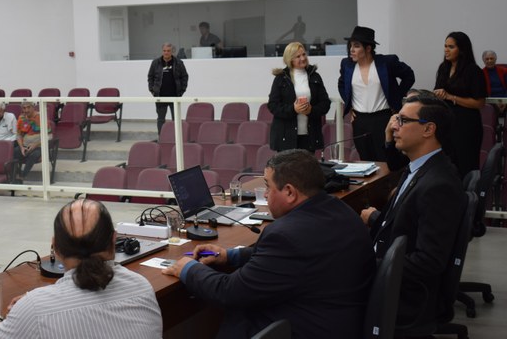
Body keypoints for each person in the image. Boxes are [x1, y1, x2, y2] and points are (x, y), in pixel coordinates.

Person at [162, 149, 375, 339]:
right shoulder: (341, 210)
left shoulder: (286, 236)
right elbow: (292, 259)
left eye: (267, 186)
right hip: (343, 320)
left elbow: (230, 293)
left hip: (307, 328)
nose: (264, 194)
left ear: (289, 192)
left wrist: (188, 268)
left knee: (235, 316)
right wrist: (231, 255)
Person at [0, 199, 162, 339]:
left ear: (55, 247)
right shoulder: (141, 286)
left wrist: (32, 305)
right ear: (114, 240)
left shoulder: (34, 309)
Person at [360, 95, 466, 328]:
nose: (394, 126)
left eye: (403, 120)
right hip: (390, 275)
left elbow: (428, 261)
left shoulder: (439, 185)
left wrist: (367, 266)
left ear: (428, 129)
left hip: (405, 297)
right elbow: (405, 223)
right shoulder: (418, 168)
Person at [338, 26, 415, 162]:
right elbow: (342, 84)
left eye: (356, 46)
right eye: (350, 45)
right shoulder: (347, 65)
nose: (351, 49)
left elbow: (409, 75)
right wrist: (349, 106)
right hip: (359, 121)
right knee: (365, 161)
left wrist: (396, 97)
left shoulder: (387, 62)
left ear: (368, 48)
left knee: (387, 159)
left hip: (383, 118)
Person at [433, 31, 486, 178]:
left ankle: (468, 193)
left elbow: (479, 103)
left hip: (466, 125)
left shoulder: (473, 70)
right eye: (445, 46)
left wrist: (450, 97)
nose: (446, 50)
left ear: (462, 50)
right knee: (446, 167)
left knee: (465, 167)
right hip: (446, 124)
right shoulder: (443, 68)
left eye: (451, 47)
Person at [267, 42, 330, 152]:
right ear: (290, 59)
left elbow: (325, 103)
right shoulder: (281, 78)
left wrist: (311, 110)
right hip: (286, 138)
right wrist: (293, 109)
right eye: (298, 56)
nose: (303, 58)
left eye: (304, 54)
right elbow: (273, 105)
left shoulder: (315, 76)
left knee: (307, 163)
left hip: (309, 137)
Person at [147, 42, 189, 135]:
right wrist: (152, 90)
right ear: (162, 51)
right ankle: (161, 137)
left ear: (172, 51)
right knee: (161, 119)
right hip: (160, 96)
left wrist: (182, 91)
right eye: (164, 51)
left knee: (176, 119)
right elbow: (150, 77)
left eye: (168, 51)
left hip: (175, 96)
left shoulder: (178, 62)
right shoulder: (155, 63)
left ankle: (176, 138)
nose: (166, 53)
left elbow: (185, 76)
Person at [14, 101, 51, 183]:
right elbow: (18, 135)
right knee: (14, 152)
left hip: (39, 144)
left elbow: (49, 136)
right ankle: (16, 174)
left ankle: (22, 176)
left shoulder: (41, 117)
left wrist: (35, 144)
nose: (26, 110)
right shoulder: (21, 118)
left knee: (34, 154)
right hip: (25, 144)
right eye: (24, 108)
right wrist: (21, 147)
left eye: (28, 107)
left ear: (33, 107)